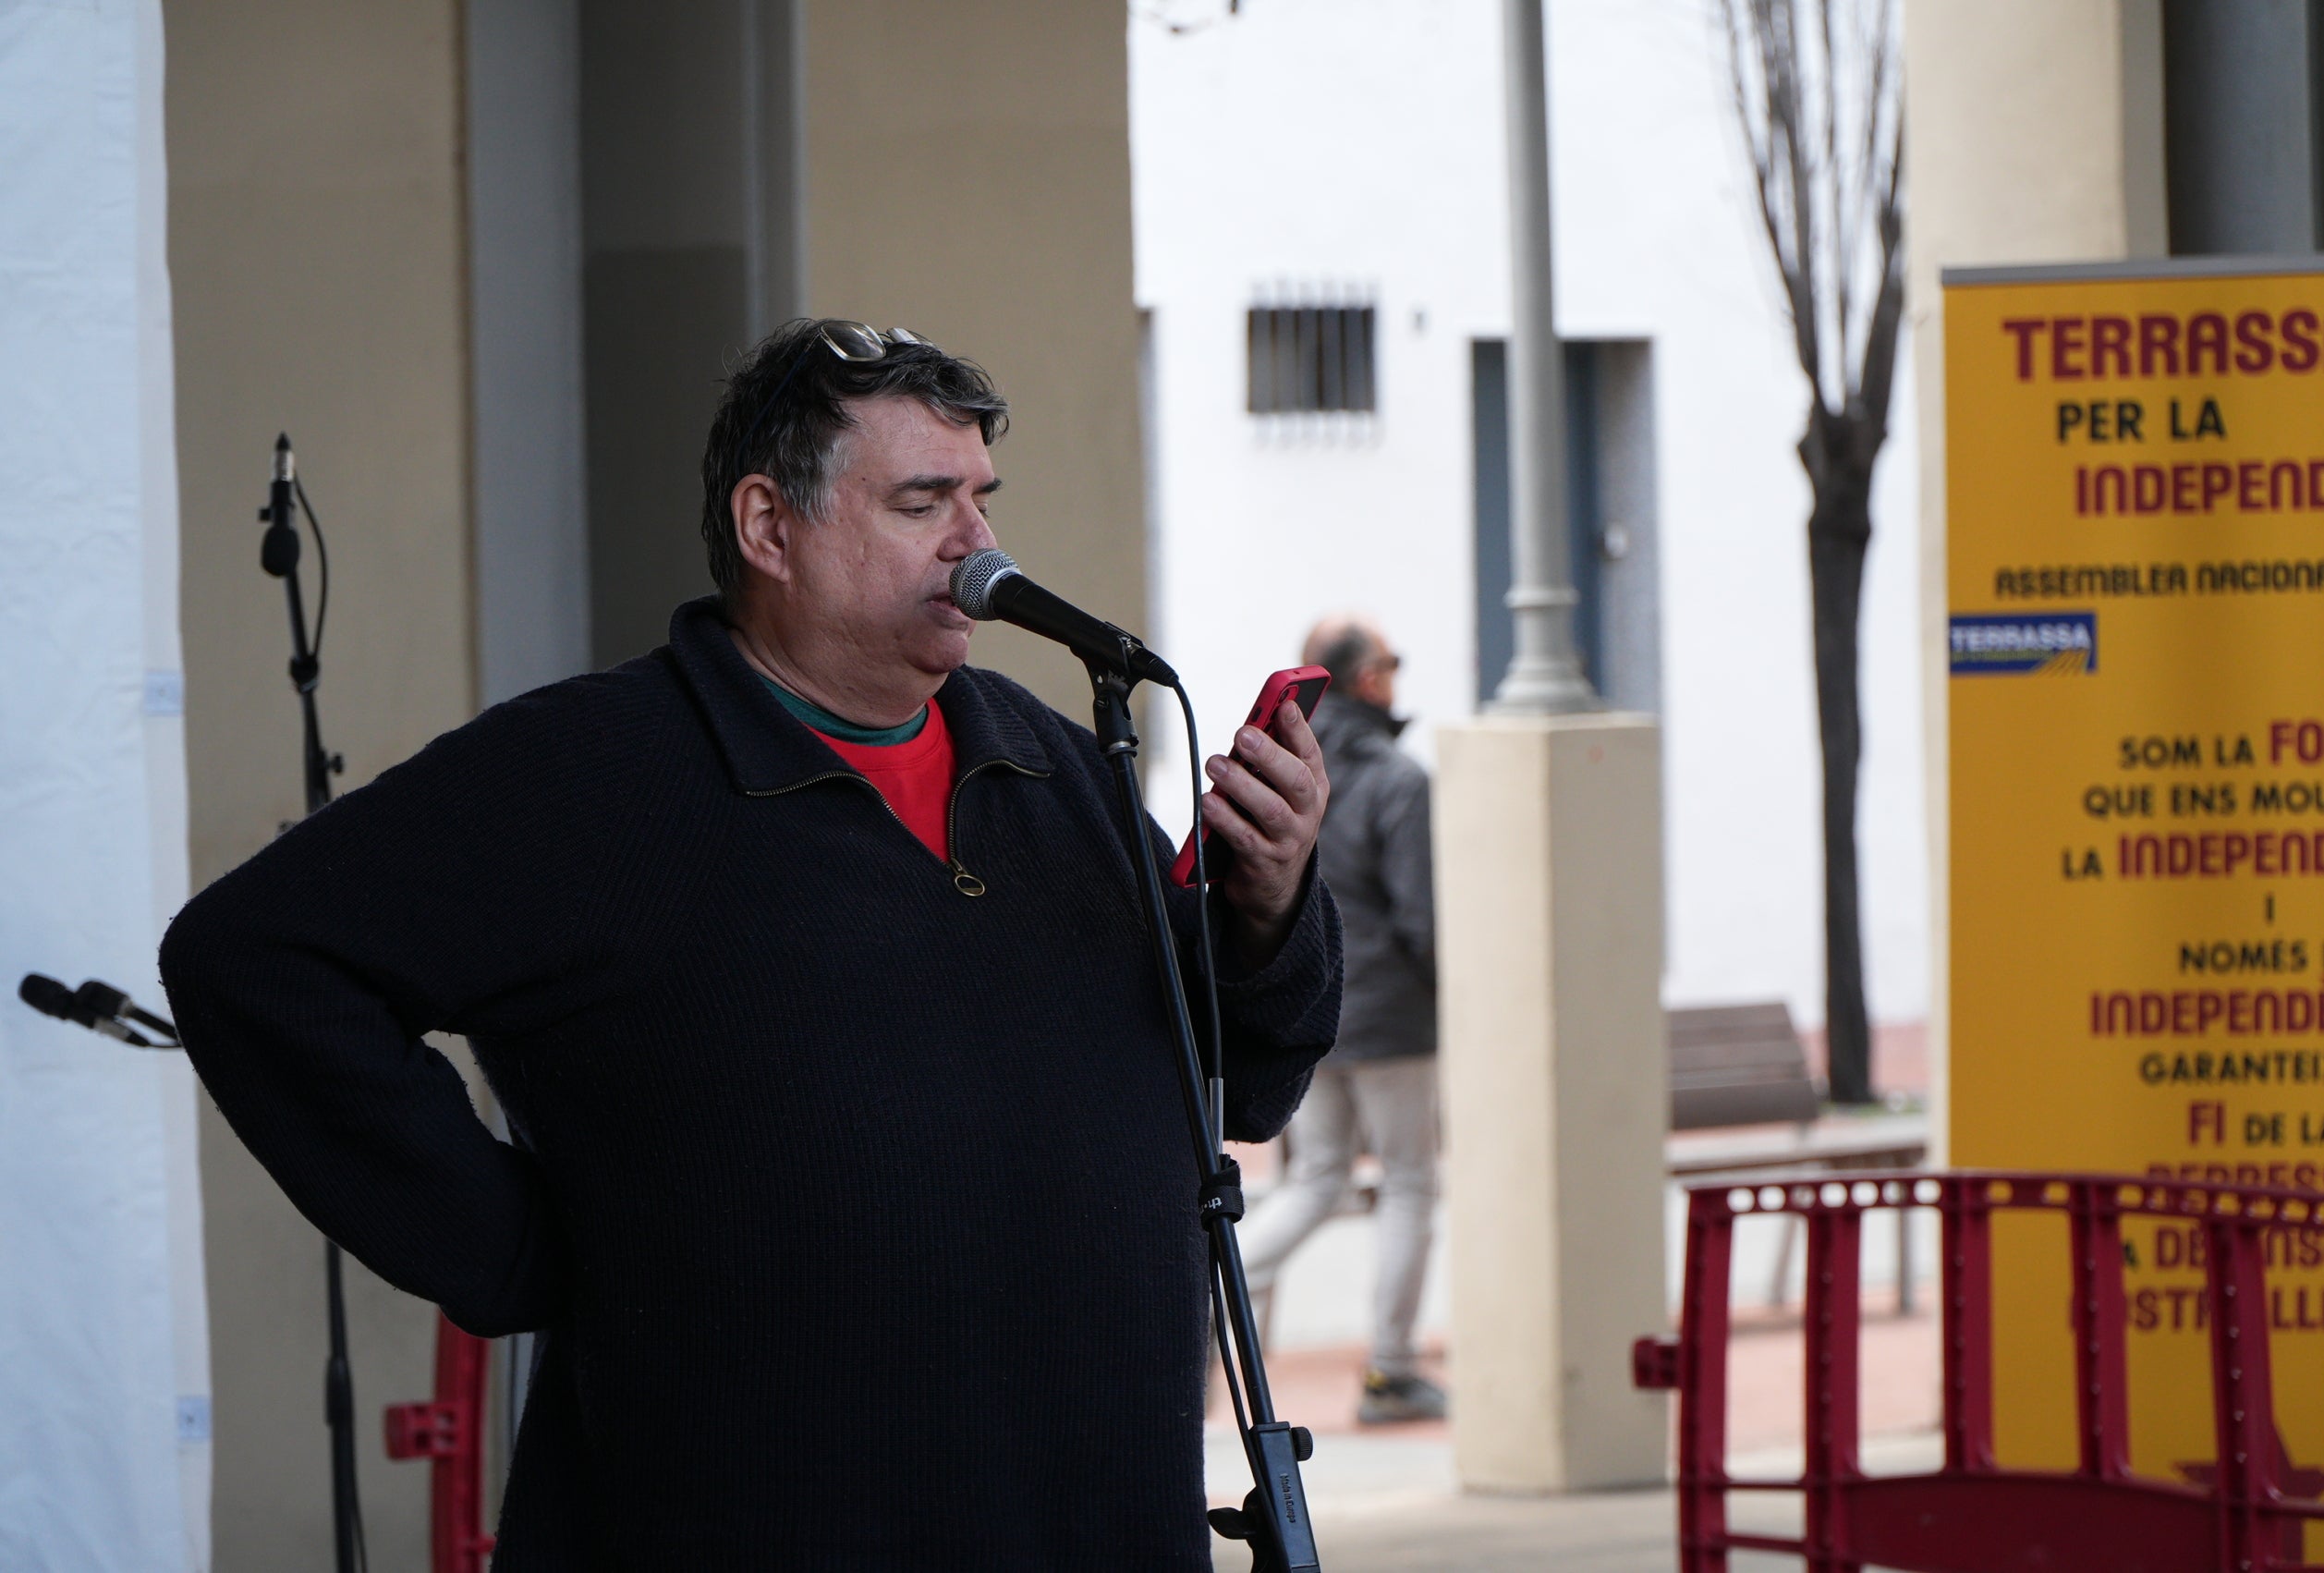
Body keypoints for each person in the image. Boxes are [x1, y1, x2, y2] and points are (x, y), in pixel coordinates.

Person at [158, 319, 1342, 1570]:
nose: (977, 546)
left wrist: (1262, 910)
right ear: (770, 528)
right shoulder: (590, 774)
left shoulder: (1046, 756)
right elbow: (253, 958)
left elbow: (1241, 1085)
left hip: (1092, 1518)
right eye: (921, 502)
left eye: (980, 500)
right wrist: (515, 1253)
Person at [1235, 616, 1446, 1424]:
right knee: (1409, 1184)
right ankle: (1391, 1370)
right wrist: (1443, 1000)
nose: (1396, 675)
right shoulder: (1400, 780)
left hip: (1312, 1005)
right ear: (1367, 680)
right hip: (1393, 1018)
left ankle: (1214, 1291)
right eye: (1391, 662)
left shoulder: (1290, 772)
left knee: (1315, 1179)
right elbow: (1423, 916)